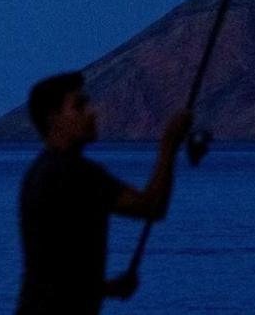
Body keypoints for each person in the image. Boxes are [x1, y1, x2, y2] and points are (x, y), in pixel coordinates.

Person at [15, 71, 192, 315]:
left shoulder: (38, 174)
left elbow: (56, 273)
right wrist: (169, 145)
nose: (92, 111)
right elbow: (152, 206)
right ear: (54, 119)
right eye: (79, 106)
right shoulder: (77, 174)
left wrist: (106, 289)